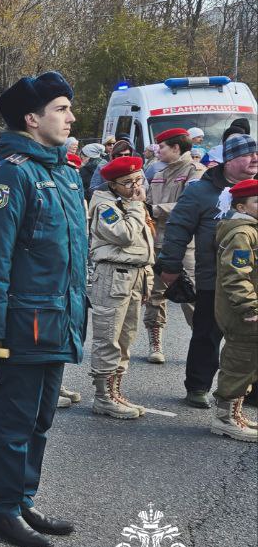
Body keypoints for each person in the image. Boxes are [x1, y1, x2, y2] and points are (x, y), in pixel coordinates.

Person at [0, 71, 86, 547]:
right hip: (26, 322)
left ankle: (22, 499)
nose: (71, 117)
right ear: (32, 119)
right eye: (61, 109)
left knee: (41, 418)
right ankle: (0, 507)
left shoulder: (64, 173)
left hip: (58, 318)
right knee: (14, 420)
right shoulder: (11, 175)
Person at [158, 134, 258, 408]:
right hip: (214, 280)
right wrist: (170, 265)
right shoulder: (201, 191)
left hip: (254, 282)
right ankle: (198, 387)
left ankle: (251, 391)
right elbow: (178, 228)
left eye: (256, 153)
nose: (254, 159)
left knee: (252, 338)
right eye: (247, 154)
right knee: (207, 336)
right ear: (229, 160)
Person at [87, 156, 155, 418]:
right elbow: (124, 235)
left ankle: (115, 391)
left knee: (126, 337)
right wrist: (137, 206)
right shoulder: (105, 205)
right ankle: (103, 396)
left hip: (136, 274)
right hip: (114, 274)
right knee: (108, 336)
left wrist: (148, 278)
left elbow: (145, 243)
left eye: (138, 179)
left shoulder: (132, 203)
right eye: (128, 182)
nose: (136, 186)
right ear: (112, 185)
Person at [143, 127, 202, 363]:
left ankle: (201, 344)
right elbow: (147, 202)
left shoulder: (196, 171)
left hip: (184, 244)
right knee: (154, 295)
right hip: (157, 242)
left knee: (190, 294)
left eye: (162, 147)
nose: (158, 151)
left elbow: (189, 205)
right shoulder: (159, 172)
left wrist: (154, 210)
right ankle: (155, 342)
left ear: (176, 147)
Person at [210, 178, 258, 440]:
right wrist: (248, 306)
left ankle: (235, 412)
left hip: (248, 309)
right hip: (243, 312)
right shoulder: (242, 233)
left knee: (249, 361)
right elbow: (235, 275)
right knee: (239, 361)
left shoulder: (251, 229)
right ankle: (224, 418)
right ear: (242, 207)